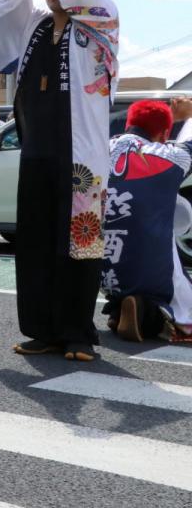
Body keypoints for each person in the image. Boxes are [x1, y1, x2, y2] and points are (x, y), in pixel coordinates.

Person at [0, 0, 119, 362]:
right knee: (34, 243)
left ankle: (76, 332)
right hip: (36, 153)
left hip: (81, 157)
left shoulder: (99, 25)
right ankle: (42, 329)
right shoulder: (33, 26)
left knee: (79, 242)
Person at [100, 99, 192, 343]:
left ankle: (119, 307)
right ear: (163, 134)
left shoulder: (97, 149)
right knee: (183, 306)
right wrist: (189, 116)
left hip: (97, 271)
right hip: (149, 272)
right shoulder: (169, 156)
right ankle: (146, 313)